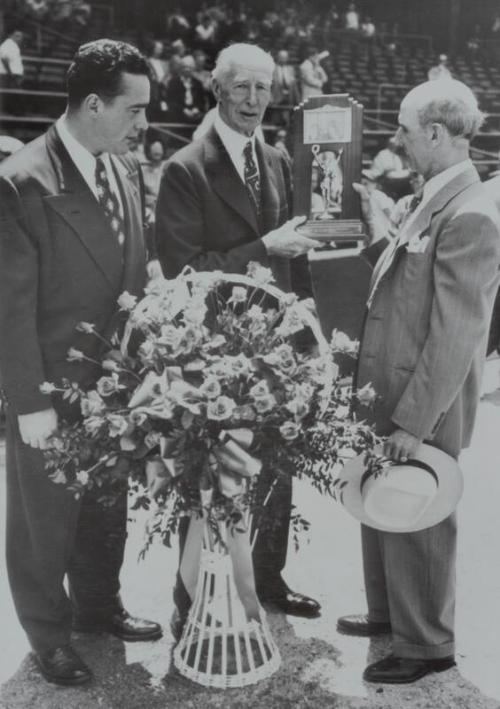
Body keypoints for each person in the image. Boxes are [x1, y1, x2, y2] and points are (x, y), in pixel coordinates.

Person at [0, 38, 162, 688]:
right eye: (135, 108)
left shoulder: (120, 166)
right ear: (94, 104)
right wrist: (29, 402)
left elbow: (132, 269)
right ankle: (48, 632)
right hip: (51, 387)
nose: (145, 123)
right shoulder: (22, 180)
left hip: (115, 382)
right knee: (44, 518)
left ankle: (98, 605)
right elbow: (8, 308)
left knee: (105, 505)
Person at [155, 43, 323, 632]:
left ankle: (268, 578)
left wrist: (307, 335)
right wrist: (263, 249)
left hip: (277, 346)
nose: (254, 100)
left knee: (277, 467)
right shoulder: (185, 169)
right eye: (242, 88)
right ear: (217, 90)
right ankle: (190, 593)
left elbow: (294, 258)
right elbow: (183, 270)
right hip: (214, 351)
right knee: (209, 475)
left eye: (263, 88)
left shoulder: (277, 159)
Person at [337, 79, 500, 684]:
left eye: (404, 129)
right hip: (390, 385)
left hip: (419, 401)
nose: (396, 139)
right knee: (382, 507)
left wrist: (413, 420)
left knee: (418, 514)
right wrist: (371, 224)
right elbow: (406, 281)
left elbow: (457, 334)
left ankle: (428, 643)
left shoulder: (472, 214)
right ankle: (390, 616)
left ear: (434, 133)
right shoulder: (429, 198)